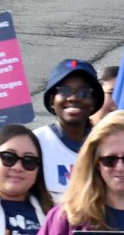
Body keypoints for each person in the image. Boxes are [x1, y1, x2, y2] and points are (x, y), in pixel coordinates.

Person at [37, 60, 104, 198]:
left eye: (84, 92)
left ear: (94, 101)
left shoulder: (106, 144)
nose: (73, 98)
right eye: (64, 91)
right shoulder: (36, 142)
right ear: (52, 100)